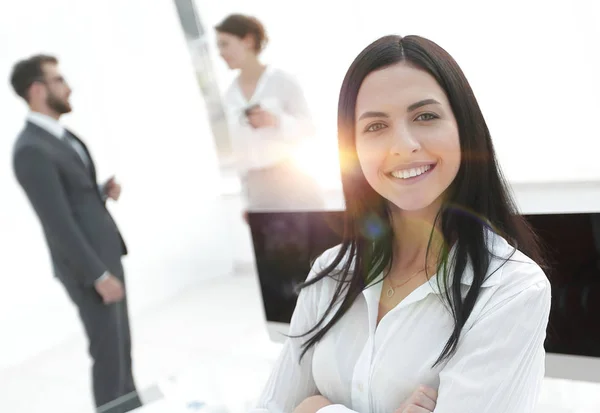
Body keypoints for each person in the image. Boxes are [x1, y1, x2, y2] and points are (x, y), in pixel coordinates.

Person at [251, 35, 552, 413]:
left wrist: (315, 409)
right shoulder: (330, 273)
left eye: (425, 116)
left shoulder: (511, 291)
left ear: (464, 128)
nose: (404, 144)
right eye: (376, 126)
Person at [10, 54, 142, 413]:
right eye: (58, 79)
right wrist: (98, 275)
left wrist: (100, 192)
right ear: (37, 90)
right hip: (91, 271)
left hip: (106, 257)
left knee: (122, 351)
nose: (68, 87)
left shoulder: (61, 136)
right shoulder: (30, 149)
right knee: (109, 359)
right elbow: (57, 224)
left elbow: (71, 199)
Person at [215, 14, 323, 215]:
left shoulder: (282, 81)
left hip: (292, 179)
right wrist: (248, 202)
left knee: (309, 244)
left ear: (247, 41)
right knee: (268, 246)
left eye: (224, 44)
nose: (220, 53)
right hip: (256, 187)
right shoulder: (230, 96)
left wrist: (275, 121)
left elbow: (310, 130)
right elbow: (240, 152)